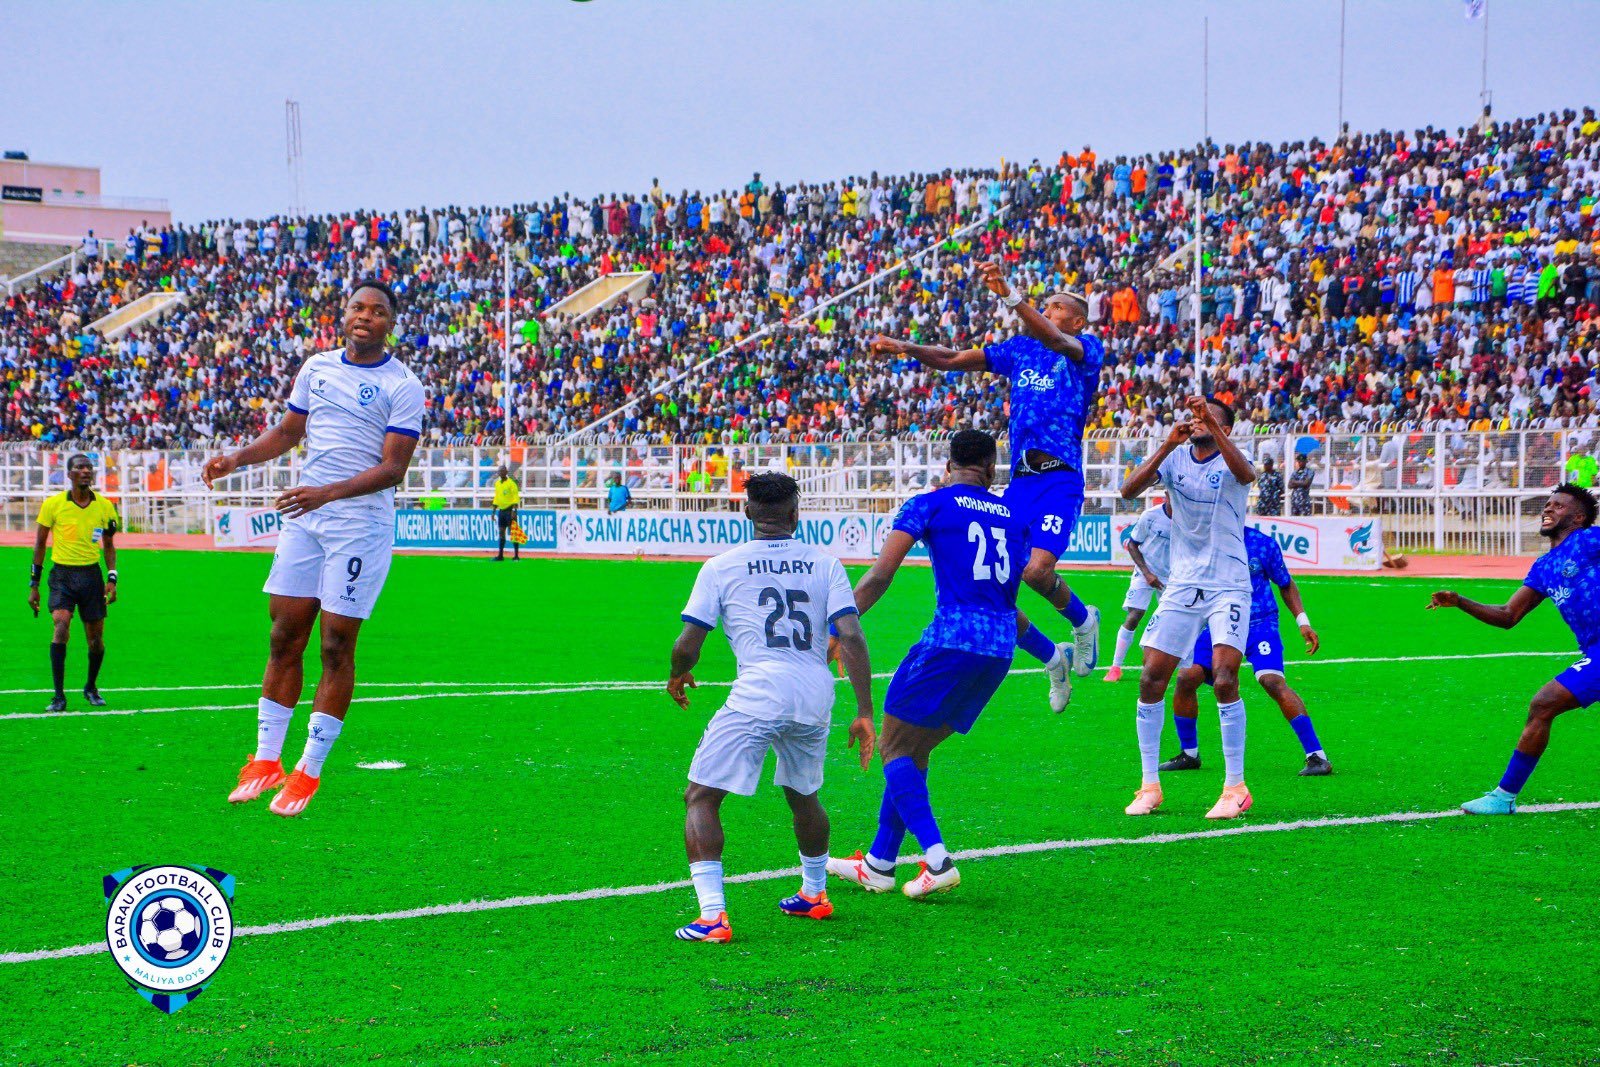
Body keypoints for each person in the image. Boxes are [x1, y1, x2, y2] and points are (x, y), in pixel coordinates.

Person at [205, 281, 426, 818]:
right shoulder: (317, 368)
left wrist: (324, 492)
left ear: (390, 324)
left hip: (358, 523)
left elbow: (394, 469)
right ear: (343, 314)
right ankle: (264, 761)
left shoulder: (403, 385)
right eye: (357, 307)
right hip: (307, 518)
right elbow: (286, 432)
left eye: (377, 311)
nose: (365, 317)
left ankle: (308, 770)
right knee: (283, 635)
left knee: (334, 647)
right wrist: (236, 458)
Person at [868, 260, 1103, 714]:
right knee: (995, 587)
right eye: (1046, 305)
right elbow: (952, 360)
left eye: (1055, 307)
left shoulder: (1085, 349)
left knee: (1035, 572)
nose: (1047, 310)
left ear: (1076, 321)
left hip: (1058, 479)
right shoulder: (1019, 350)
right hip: (1019, 484)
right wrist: (903, 346)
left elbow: (1054, 338)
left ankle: (1082, 618)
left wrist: (1010, 296)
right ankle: (1053, 659)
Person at [667, 472, 876, 942]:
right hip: (815, 690)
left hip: (760, 690)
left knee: (701, 797)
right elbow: (852, 636)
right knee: (803, 795)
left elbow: (689, 642)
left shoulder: (721, 566)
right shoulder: (825, 563)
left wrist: (678, 672)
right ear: (795, 515)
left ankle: (713, 917)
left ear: (748, 513)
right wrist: (864, 711)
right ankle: (814, 894)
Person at [825, 430, 1030, 899]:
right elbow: (1007, 596)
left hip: (950, 641)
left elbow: (879, 576)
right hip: (998, 650)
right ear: (992, 469)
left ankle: (937, 860)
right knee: (914, 750)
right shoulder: (1015, 517)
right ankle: (878, 863)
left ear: (948, 462)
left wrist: (837, 627)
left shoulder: (930, 503)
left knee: (894, 747)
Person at [1118, 395, 1256, 819]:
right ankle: (1149, 786)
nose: (1198, 422)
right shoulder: (1175, 458)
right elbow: (1127, 491)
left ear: (1226, 429)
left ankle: (1235, 787)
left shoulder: (1234, 459)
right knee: (1150, 678)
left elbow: (1246, 473)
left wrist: (1214, 430)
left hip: (1228, 582)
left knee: (1224, 676)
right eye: (1196, 417)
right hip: (1182, 583)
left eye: (1209, 418)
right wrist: (1164, 445)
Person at [1428, 484, 1600, 814]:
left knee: (1544, 703)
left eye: (1558, 506)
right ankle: (1502, 799)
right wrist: (1460, 601)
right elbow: (1508, 616)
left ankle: (1503, 798)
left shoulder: (1590, 540)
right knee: (1543, 706)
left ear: (1578, 517)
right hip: (1594, 651)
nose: (1548, 509)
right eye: (1547, 505)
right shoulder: (1544, 566)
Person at [1160, 526, 1332, 776]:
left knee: (1272, 682)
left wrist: (1302, 621)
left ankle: (1317, 756)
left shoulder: (1262, 544)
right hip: (1218, 622)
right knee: (1187, 678)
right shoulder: (1202, 541)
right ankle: (1189, 754)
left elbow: (1285, 583)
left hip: (1259, 623)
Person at [28, 454, 119, 711]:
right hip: (62, 576)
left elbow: (109, 545)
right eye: (79, 467)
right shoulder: (53, 505)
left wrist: (112, 578)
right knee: (61, 626)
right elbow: (39, 544)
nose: (85, 471)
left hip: (91, 576)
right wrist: (33, 584)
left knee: (95, 640)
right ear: (69, 474)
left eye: (89, 467)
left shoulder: (104, 506)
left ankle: (90, 687)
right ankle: (59, 696)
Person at [1105, 500, 1171, 683]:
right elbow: (1132, 545)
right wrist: (1148, 573)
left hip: (1171, 577)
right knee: (1135, 615)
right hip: (1144, 571)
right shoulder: (1151, 516)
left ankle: (1181, 666)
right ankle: (1115, 667)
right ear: (1168, 494)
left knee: (1171, 621)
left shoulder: (1188, 517)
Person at [492, 464, 520, 561]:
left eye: (503, 471)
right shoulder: (497, 484)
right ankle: (500, 555)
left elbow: (515, 497)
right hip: (501, 511)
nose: (501, 472)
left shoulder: (511, 484)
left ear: (506, 472)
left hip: (510, 510)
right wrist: (493, 512)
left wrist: (514, 510)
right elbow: (496, 498)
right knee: (501, 532)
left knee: (513, 533)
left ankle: (516, 556)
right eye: (499, 471)